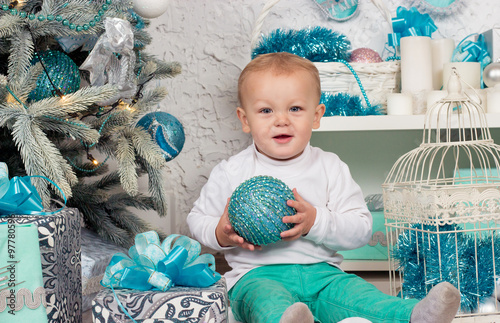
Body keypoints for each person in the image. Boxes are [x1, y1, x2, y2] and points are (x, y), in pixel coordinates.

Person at [187, 52, 460, 323]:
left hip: (324, 276)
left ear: (316, 116)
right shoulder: (232, 171)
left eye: (295, 108)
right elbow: (197, 220)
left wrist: (315, 221)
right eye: (266, 110)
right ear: (245, 120)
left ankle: (414, 315)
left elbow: (360, 229)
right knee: (265, 301)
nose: (281, 119)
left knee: (358, 295)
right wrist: (221, 232)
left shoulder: (330, 167)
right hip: (257, 275)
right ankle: (287, 320)